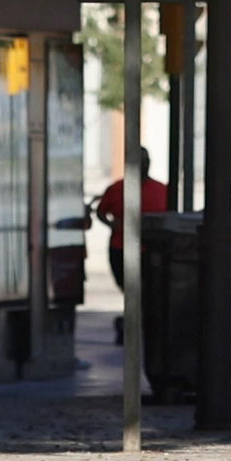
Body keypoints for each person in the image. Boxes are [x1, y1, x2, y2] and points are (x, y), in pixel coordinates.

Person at [92, 148, 169, 346]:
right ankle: (129, 324)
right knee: (131, 291)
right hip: (121, 248)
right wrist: (112, 225)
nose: (144, 165)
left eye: (146, 161)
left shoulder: (162, 190)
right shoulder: (117, 189)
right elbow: (101, 212)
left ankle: (131, 325)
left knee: (146, 292)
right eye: (139, 161)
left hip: (150, 251)